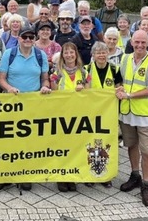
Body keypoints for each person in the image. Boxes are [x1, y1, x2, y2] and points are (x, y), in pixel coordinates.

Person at [0, 27, 51, 193]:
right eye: (24, 37)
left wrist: (44, 87)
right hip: (12, 104)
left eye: (31, 37)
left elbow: (45, 79)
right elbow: (1, 79)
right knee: (8, 140)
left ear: (34, 39)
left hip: (32, 105)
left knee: (29, 140)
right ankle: (6, 173)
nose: (28, 40)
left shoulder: (40, 55)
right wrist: (10, 88)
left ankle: (26, 173)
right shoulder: (9, 54)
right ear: (19, 38)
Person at [116, 30, 148, 207]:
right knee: (131, 145)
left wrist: (128, 95)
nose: (140, 46)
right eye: (137, 42)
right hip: (127, 113)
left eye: (143, 42)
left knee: (147, 151)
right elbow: (119, 79)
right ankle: (135, 175)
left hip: (145, 115)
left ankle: (146, 184)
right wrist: (119, 89)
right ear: (132, 42)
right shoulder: (125, 58)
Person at [50, 41, 89, 192]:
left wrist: (83, 89)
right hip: (62, 115)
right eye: (66, 52)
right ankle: (61, 176)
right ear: (62, 56)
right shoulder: (57, 73)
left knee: (75, 147)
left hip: (79, 116)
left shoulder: (84, 72)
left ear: (76, 54)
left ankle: (72, 176)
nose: (69, 55)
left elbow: (91, 93)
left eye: (71, 52)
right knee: (61, 147)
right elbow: (53, 92)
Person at [84, 41, 122, 188]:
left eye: (104, 52)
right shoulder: (86, 70)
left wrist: (120, 91)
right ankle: (90, 173)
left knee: (107, 143)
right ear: (93, 55)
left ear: (108, 53)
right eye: (98, 52)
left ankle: (105, 175)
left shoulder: (114, 69)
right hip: (91, 114)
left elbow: (119, 88)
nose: (101, 55)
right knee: (91, 144)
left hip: (108, 113)